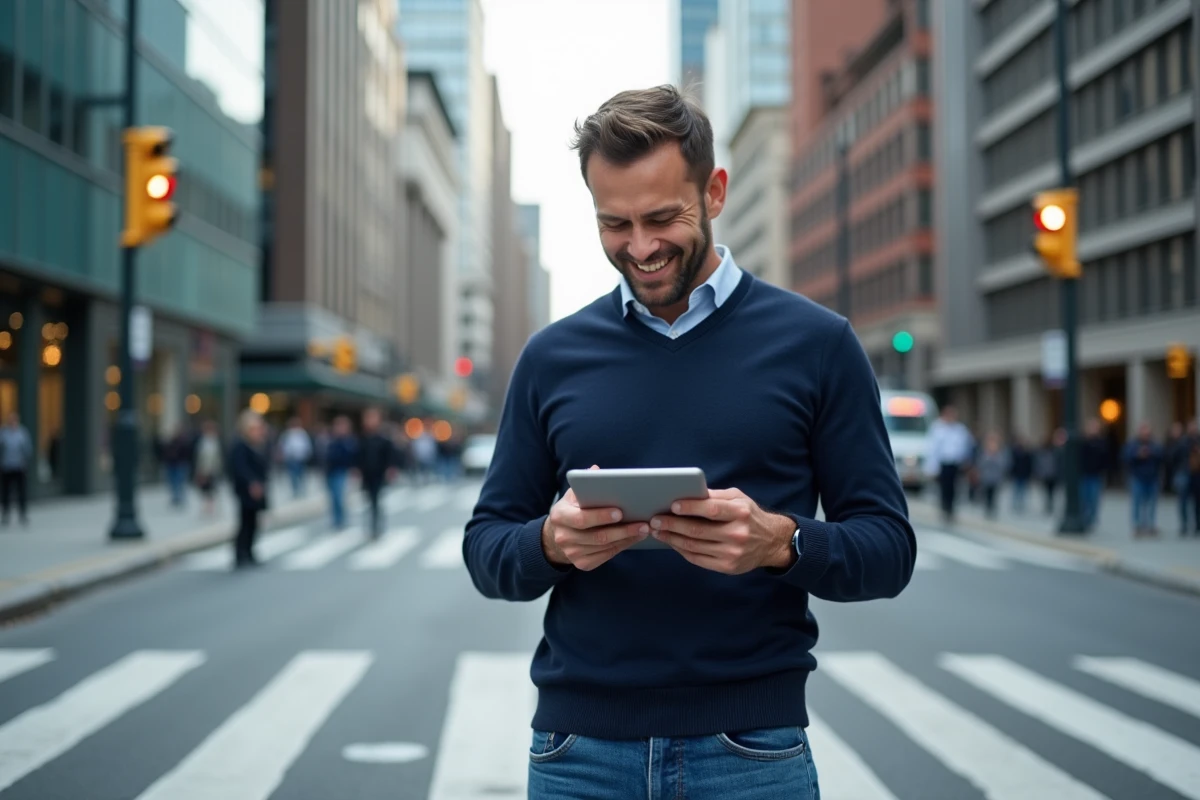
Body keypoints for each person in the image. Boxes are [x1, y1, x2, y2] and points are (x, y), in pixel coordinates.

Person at [462, 85, 916, 799]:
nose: (639, 248)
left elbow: (889, 550)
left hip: (751, 751)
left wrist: (782, 543)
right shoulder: (551, 357)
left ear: (716, 192)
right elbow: (486, 549)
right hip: (577, 752)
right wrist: (548, 543)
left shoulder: (818, 345)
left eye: (661, 218)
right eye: (614, 224)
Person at [228, 409, 268, 568]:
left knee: (253, 522)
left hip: (256, 489)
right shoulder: (240, 446)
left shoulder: (258, 445)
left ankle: (249, 551)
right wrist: (252, 483)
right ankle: (241, 553)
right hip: (246, 490)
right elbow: (239, 468)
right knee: (245, 522)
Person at [924, 404, 974, 524]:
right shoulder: (937, 428)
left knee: (954, 488)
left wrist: (966, 462)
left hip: (955, 463)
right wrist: (931, 467)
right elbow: (932, 449)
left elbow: (965, 446)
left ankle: (951, 509)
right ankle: (944, 508)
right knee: (944, 487)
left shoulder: (960, 429)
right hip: (943, 463)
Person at [357, 407, 398, 539]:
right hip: (367, 475)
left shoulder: (383, 439)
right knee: (369, 502)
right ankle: (371, 527)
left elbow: (390, 456)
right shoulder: (362, 438)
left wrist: (390, 469)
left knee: (377, 502)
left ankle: (377, 528)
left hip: (379, 475)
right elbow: (358, 456)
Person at [1123, 422, 1163, 537]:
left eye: (1147, 432)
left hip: (1152, 478)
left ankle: (1151, 525)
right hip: (1138, 478)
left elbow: (1162, 455)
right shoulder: (1133, 444)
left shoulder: (1154, 444)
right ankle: (1137, 526)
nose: (1145, 434)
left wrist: (1150, 453)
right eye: (1143, 431)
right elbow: (1126, 457)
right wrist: (1138, 454)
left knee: (1152, 504)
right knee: (1137, 503)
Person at [324, 416, 357, 530]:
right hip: (330, 471)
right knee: (333, 497)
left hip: (341, 471)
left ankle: (341, 519)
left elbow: (351, 457)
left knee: (339, 497)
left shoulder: (349, 441)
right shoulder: (332, 440)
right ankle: (336, 519)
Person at [0, 412, 32, 526]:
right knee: (5, 493)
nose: (12, 422)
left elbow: (27, 449)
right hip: (7, 467)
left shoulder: (22, 433)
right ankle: (5, 515)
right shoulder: (3, 433)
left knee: (21, 492)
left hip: (19, 467)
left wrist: (25, 463)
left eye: (14, 420)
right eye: (11, 420)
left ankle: (22, 514)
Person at [193, 420, 223, 517]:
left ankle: (211, 506)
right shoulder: (202, 441)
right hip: (204, 469)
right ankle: (207, 506)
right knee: (204, 489)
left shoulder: (215, 441)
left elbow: (218, 457)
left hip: (212, 470)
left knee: (212, 489)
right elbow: (199, 457)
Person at [278, 417, 313, 498]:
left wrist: (307, 454)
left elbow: (307, 445)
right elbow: (282, 445)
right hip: (290, 458)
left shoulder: (302, 433)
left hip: (300, 457)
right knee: (292, 475)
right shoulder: (287, 434)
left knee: (301, 474)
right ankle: (295, 490)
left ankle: (302, 489)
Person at [1008, 433, 1034, 513]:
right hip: (1017, 474)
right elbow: (1012, 463)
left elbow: (1029, 464)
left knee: (1022, 490)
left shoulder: (1027, 453)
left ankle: (1021, 504)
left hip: (1024, 474)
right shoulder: (1014, 452)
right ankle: (1015, 504)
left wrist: (1029, 473)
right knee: (1016, 489)